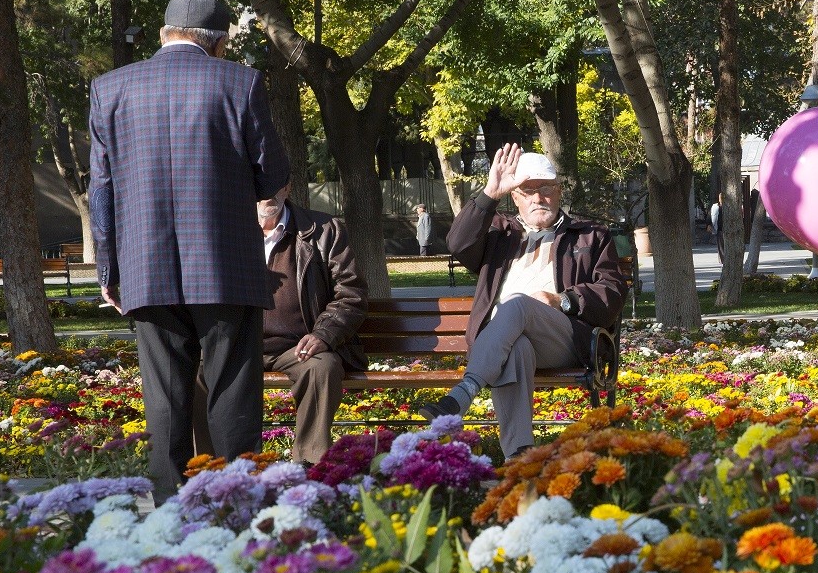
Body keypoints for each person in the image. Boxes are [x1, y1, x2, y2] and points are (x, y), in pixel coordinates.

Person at [89, 0, 289, 499]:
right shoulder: (240, 82)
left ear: (163, 35)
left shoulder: (110, 88)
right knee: (232, 396)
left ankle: (169, 512)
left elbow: (102, 189)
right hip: (225, 268)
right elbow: (273, 177)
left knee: (164, 399)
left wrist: (109, 271)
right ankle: (237, 503)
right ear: (219, 42)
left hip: (144, 269)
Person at [416, 144, 627, 459]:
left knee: (517, 303)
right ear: (515, 196)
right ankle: (519, 457)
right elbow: (457, 243)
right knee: (517, 347)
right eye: (528, 190)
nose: (539, 198)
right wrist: (489, 193)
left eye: (546, 189)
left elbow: (612, 290)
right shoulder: (500, 235)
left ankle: (462, 395)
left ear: (559, 192)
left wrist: (562, 299)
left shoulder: (589, 235)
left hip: (566, 337)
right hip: (505, 341)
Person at [193, 184, 367, 466]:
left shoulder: (323, 229)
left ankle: (309, 464)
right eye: (259, 184)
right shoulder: (221, 229)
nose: (267, 193)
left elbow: (351, 293)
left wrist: (324, 334)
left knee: (321, 367)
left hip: (297, 346)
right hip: (236, 344)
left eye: (276, 184)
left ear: (287, 187)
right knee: (197, 373)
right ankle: (208, 467)